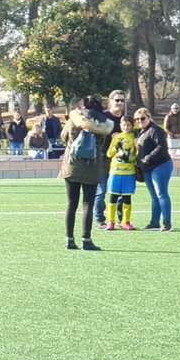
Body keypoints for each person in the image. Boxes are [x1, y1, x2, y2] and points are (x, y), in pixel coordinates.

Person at [59, 95, 114, 251]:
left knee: (71, 203)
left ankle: (69, 239)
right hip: (92, 167)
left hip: (72, 165)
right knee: (88, 204)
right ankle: (86, 239)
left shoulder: (73, 120)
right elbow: (103, 144)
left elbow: (63, 137)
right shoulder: (102, 124)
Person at [134, 107, 174, 231]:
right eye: (137, 119)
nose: (139, 121)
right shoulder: (142, 132)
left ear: (149, 117)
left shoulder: (155, 130)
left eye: (142, 118)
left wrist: (147, 158)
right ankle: (154, 223)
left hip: (160, 165)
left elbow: (162, 146)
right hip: (148, 168)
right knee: (154, 196)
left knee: (161, 194)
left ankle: (167, 223)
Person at [94, 90, 128, 228]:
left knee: (120, 191)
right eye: (117, 100)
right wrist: (110, 137)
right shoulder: (103, 118)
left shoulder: (125, 120)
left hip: (120, 161)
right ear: (110, 101)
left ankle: (121, 219)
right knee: (101, 190)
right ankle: (99, 219)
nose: (120, 103)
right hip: (102, 158)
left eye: (122, 100)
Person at [105, 115, 138, 231]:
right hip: (115, 172)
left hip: (129, 173)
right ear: (120, 125)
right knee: (113, 197)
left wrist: (128, 158)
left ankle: (126, 222)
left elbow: (135, 156)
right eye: (124, 125)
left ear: (132, 126)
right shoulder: (117, 137)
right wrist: (115, 148)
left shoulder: (134, 138)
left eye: (128, 125)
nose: (126, 127)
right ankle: (110, 221)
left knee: (127, 198)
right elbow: (108, 154)